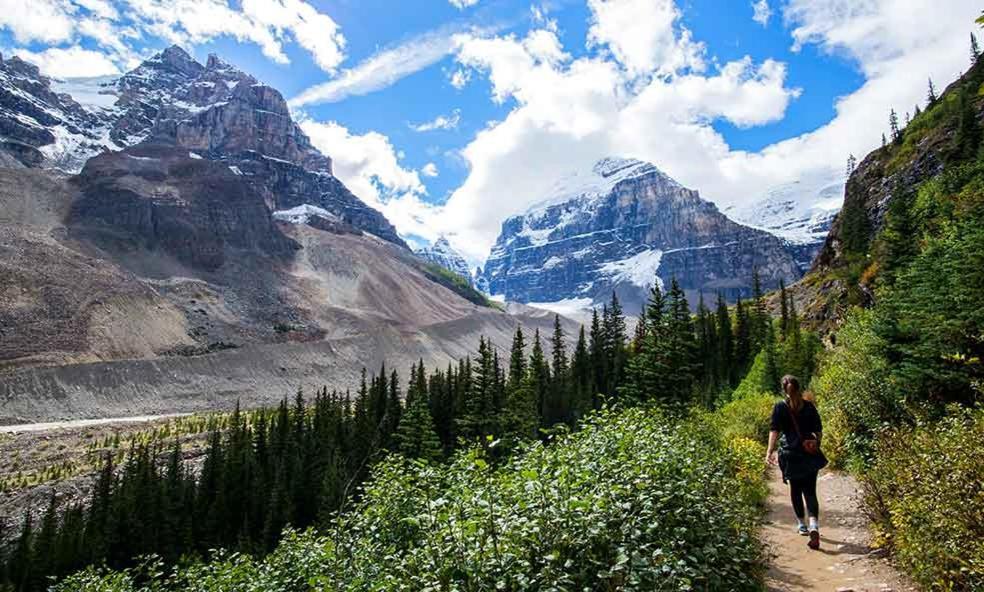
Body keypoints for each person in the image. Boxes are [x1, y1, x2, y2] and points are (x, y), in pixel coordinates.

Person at [766, 375, 825, 550]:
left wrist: (769, 451)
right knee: (810, 491)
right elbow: (819, 430)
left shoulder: (780, 407)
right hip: (808, 454)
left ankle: (802, 525)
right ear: (800, 388)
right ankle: (814, 524)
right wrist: (815, 444)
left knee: (796, 490)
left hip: (790, 454)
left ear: (784, 390)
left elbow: (774, 431)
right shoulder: (808, 407)